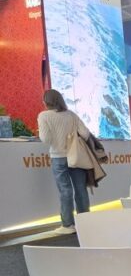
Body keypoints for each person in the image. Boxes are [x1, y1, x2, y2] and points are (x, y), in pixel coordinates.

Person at [37, 89, 90, 233]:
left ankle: (68, 225)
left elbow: (45, 139)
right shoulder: (71, 115)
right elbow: (85, 133)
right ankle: (85, 222)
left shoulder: (43, 116)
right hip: (76, 156)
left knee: (65, 190)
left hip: (58, 157)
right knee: (80, 189)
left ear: (46, 101)